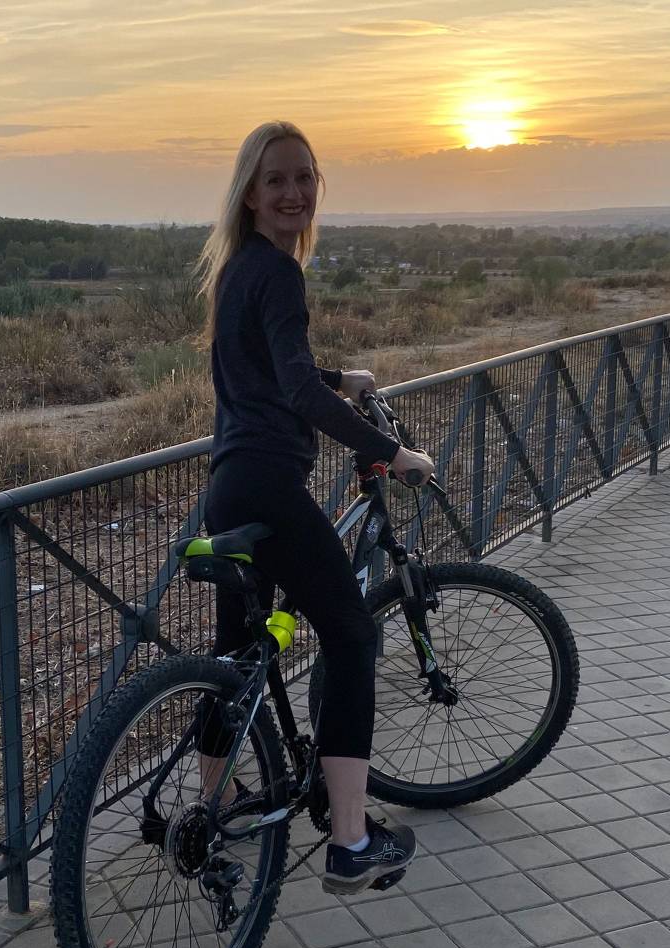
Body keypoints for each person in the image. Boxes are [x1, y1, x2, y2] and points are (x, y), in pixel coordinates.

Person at [193, 120, 435, 894]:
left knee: (236, 658)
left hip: (227, 486)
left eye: (305, 177)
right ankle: (352, 843)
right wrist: (391, 452)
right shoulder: (279, 273)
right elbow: (290, 388)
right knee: (353, 635)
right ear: (252, 196)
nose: (294, 192)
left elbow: (276, 366)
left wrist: (339, 377)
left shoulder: (237, 269)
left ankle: (212, 813)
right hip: (269, 484)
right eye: (277, 181)